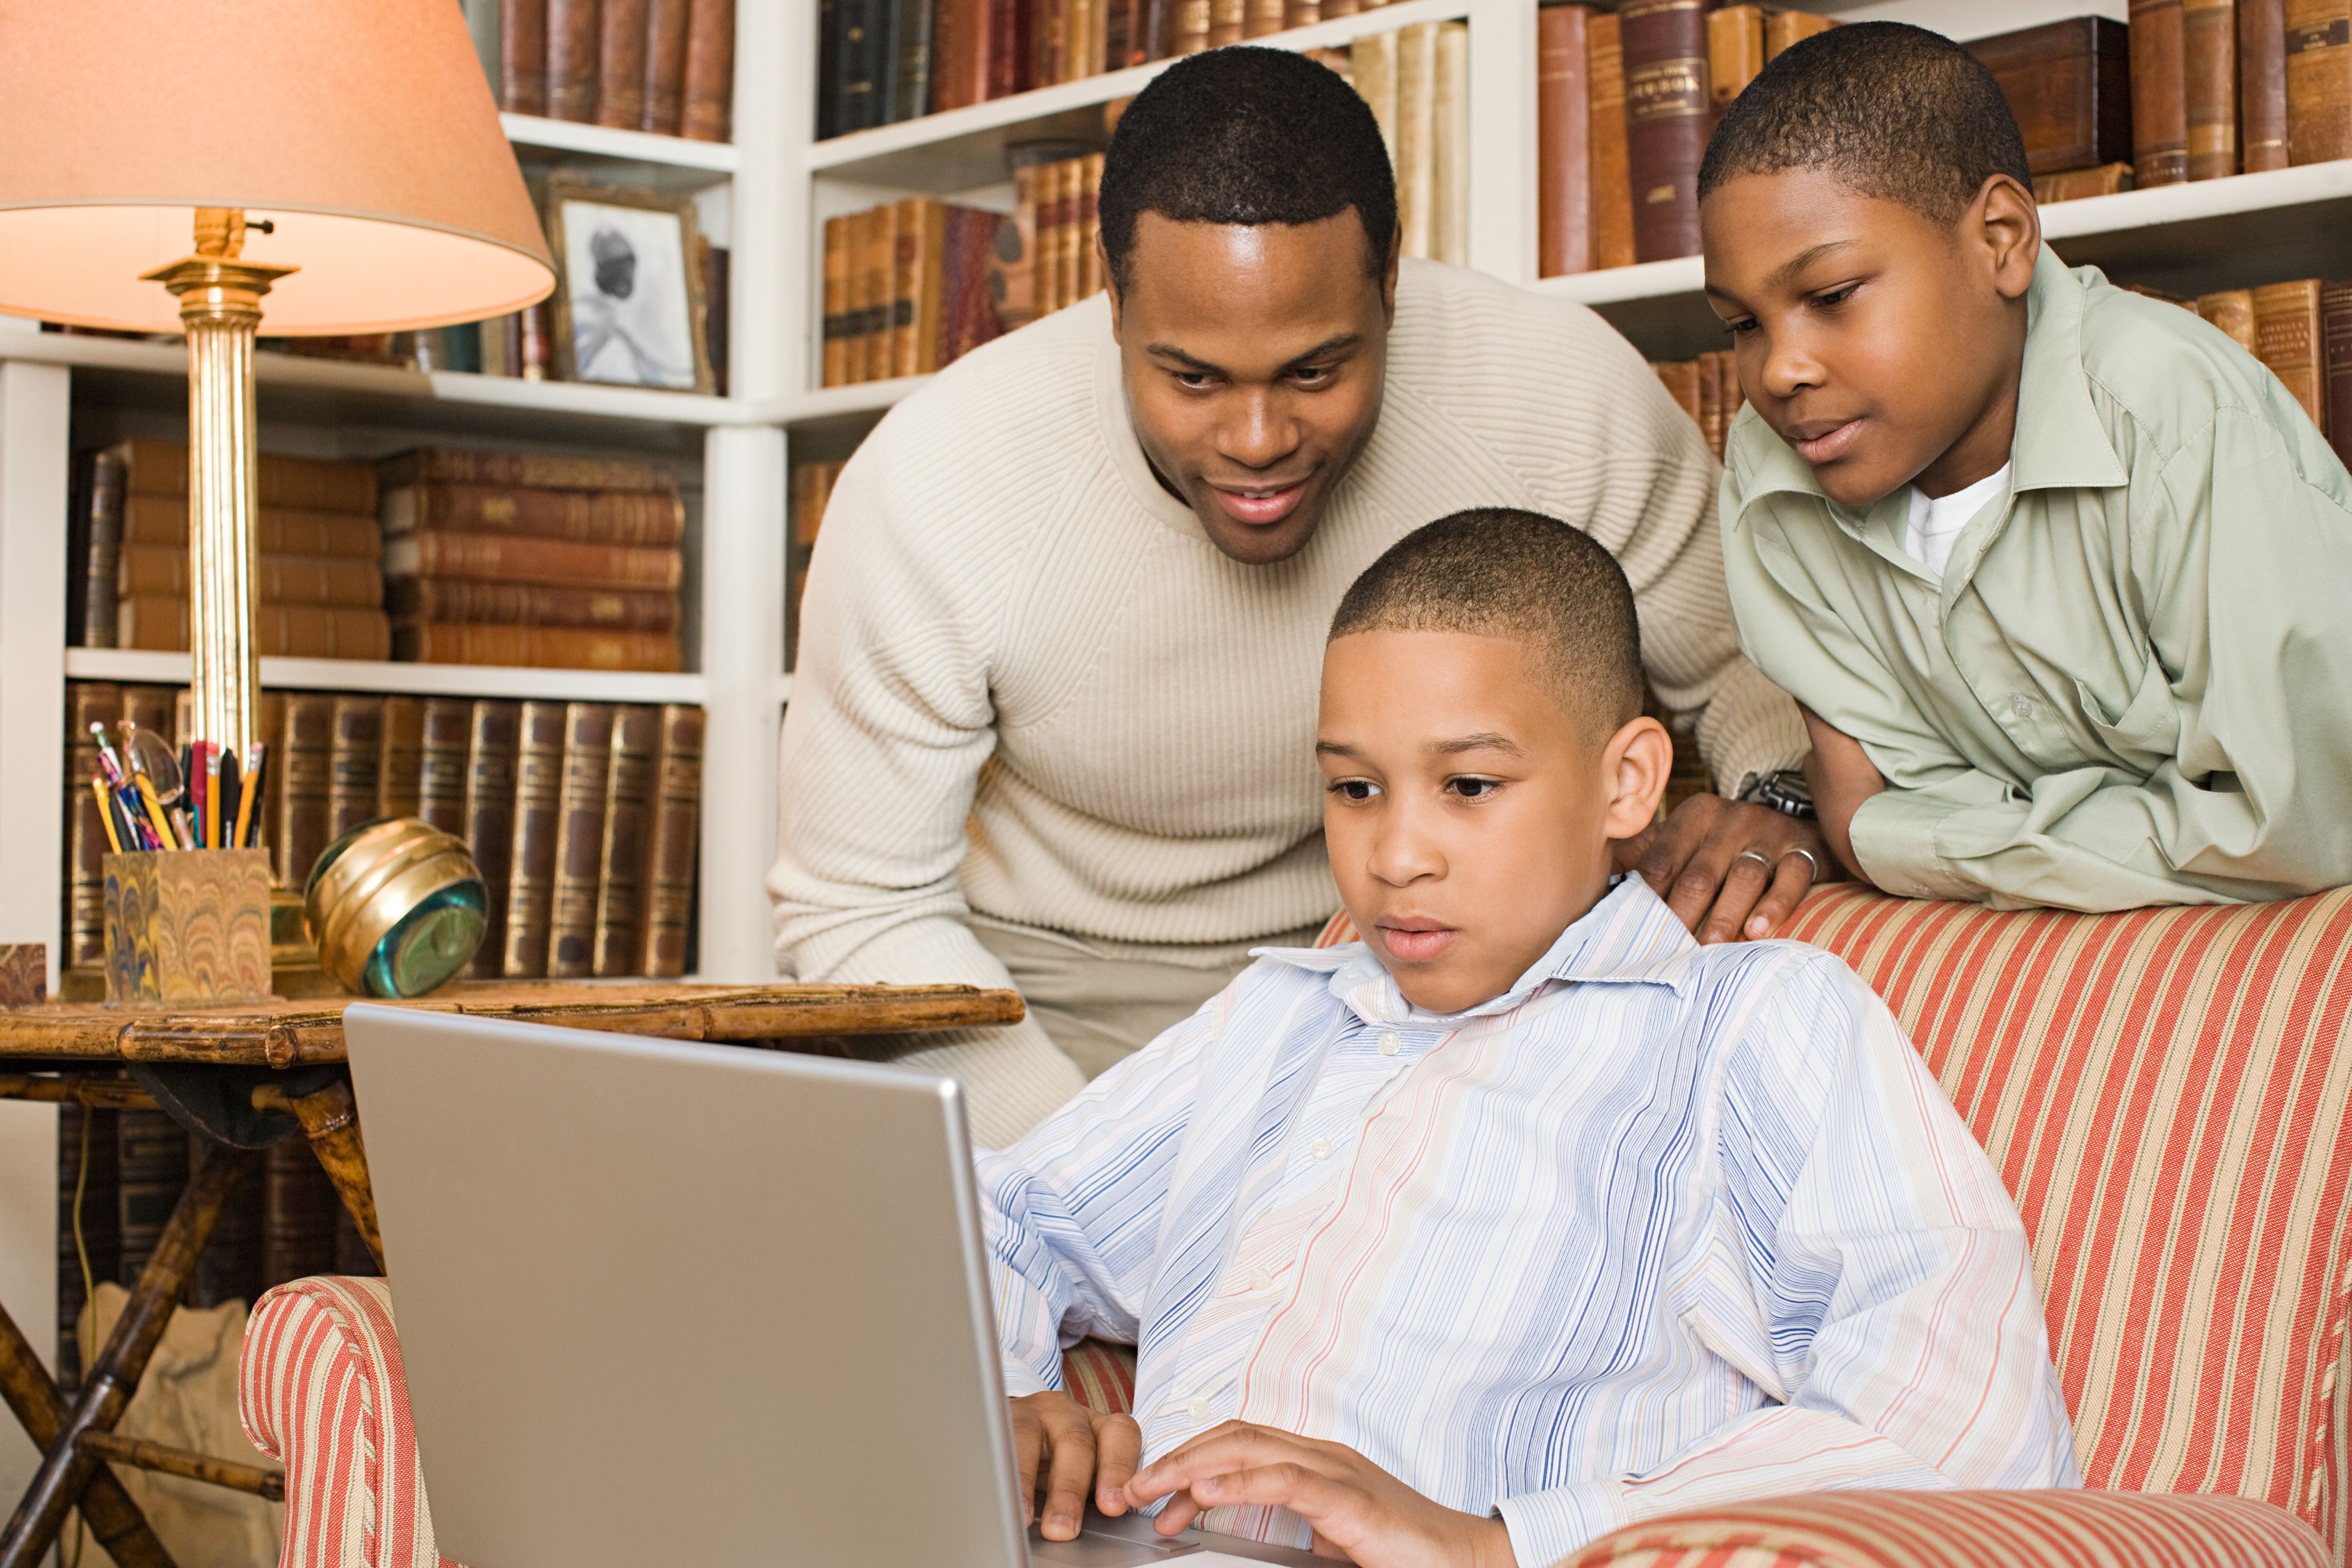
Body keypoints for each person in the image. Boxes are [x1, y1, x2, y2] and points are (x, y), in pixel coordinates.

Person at [771, 47, 1827, 1147]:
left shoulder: (1561, 394)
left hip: (1422, 987)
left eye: (1315, 371)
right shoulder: (939, 476)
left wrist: (1780, 799)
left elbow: (1756, 676)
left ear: (1390, 285)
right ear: (1112, 301)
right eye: (1192, 379)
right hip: (1049, 1013)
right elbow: (858, 905)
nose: (1258, 443)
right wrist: (1089, 1185)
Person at [984, 511, 2075, 1568]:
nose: (1395, 853)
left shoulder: (1739, 1024)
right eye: (1354, 788)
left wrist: (1490, 1544)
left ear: (1625, 782)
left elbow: (1963, 1419)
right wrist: (1004, 1401)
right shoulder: (1279, 1019)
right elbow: (1001, 1220)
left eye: (1468, 787)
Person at [1705, 22, 2352, 911]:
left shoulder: (2174, 420)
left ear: (2002, 242)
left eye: (1830, 297)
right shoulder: (1768, 472)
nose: (1780, 370)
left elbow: (2300, 828)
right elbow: (1888, 784)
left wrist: (1895, 837)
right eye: (1743, 325)